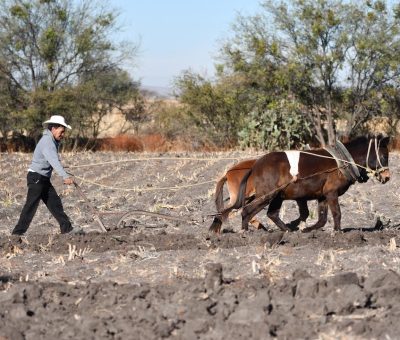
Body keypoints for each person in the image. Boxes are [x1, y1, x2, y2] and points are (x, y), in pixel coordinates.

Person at [12, 115, 78, 235]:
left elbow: (52, 161)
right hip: (37, 178)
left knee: (55, 203)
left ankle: (67, 229)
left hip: (42, 178)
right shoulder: (48, 142)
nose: (63, 135)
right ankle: (16, 234)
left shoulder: (51, 140)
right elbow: (54, 161)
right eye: (61, 131)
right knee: (30, 207)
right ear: (53, 128)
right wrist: (65, 176)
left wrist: (64, 171)